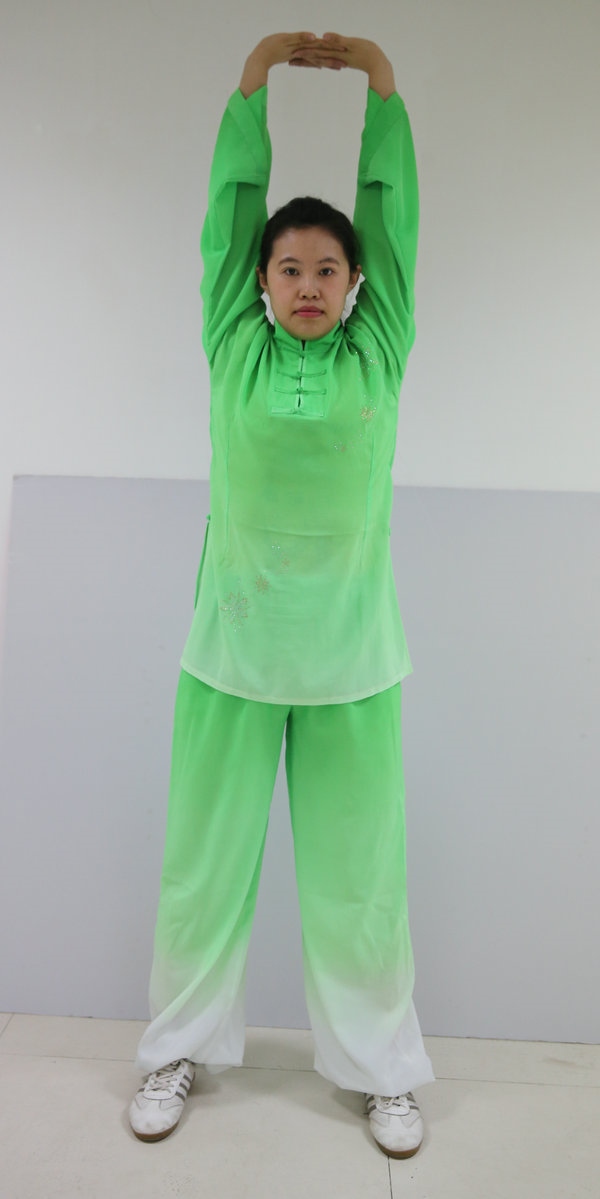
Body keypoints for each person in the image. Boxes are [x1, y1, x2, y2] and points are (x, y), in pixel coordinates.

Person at [128, 31, 435, 1158]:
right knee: (203, 868)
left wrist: (382, 89)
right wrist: (254, 80)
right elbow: (228, 212)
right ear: (259, 283)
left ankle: (384, 1071)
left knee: (362, 882)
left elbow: (395, 225)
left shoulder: (378, 353)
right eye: (289, 268)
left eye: (328, 270)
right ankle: (176, 1049)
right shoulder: (233, 348)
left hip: (354, 657)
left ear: (356, 286)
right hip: (232, 651)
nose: (309, 284)